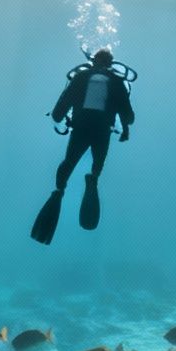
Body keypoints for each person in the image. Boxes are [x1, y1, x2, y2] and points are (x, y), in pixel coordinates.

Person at [31, 48, 135, 244]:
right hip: (102, 132)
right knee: (97, 164)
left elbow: (58, 112)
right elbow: (128, 115)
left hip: (80, 129)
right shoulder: (117, 81)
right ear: (111, 64)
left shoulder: (80, 77)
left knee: (68, 163)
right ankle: (93, 179)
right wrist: (124, 128)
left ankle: (59, 191)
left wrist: (61, 118)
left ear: (93, 61)